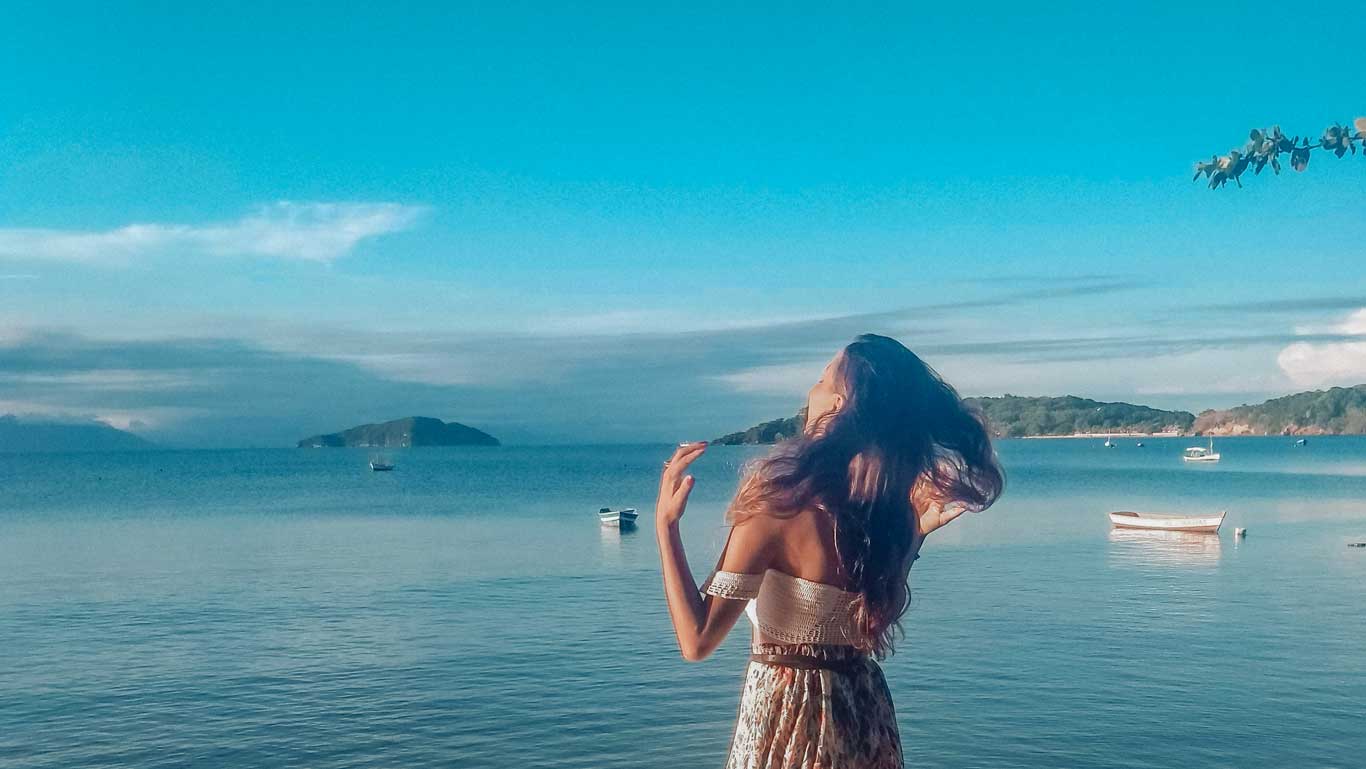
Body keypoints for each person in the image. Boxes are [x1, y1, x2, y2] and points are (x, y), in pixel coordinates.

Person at [655, 333, 1004, 768]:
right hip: (863, 710)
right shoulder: (882, 512)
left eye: (822, 378)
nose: (811, 389)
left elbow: (697, 639)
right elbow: (858, 617)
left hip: (788, 718)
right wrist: (913, 538)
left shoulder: (777, 507)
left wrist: (665, 526)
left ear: (839, 404)